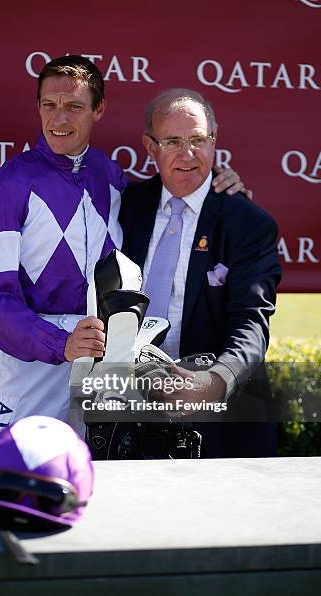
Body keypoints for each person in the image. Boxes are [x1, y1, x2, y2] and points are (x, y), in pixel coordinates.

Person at [0, 57, 247, 452]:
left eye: (74, 106)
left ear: (99, 110)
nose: (59, 117)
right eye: (49, 105)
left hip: (104, 366)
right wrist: (61, 343)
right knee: (15, 492)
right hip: (30, 369)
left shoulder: (110, 176)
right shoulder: (7, 187)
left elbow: (174, 198)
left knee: (99, 493)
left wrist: (225, 188)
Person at [115, 88, 282, 458]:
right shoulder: (124, 210)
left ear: (214, 140)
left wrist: (215, 381)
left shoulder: (248, 224)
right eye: (173, 141)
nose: (187, 154)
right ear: (149, 146)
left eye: (198, 140)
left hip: (221, 428)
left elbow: (251, 322)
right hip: (131, 417)